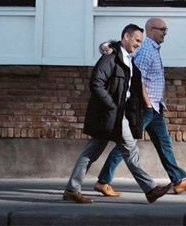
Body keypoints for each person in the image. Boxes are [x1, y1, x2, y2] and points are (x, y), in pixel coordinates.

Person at [61, 24, 173, 204]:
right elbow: (96, 83)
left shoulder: (129, 60)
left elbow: (131, 89)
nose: (139, 44)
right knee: (129, 150)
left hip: (118, 115)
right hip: (110, 114)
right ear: (126, 36)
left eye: (140, 41)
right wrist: (112, 106)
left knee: (93, 153)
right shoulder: (111, 58)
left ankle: (72, 190)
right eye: (137, 40)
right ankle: (150, 189)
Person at [93, 17, 186, 197]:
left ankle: (178, 181)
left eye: (166, 30)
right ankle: (103, 181)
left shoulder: (153, 49)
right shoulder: (145, 50)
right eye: (162, 30)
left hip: (154, 107)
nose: (164, 33)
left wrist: (159, 102)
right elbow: (138, 77)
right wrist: (147, 102)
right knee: (127, 145)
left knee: (164, 143)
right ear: (150, 30)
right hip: (145, 107)